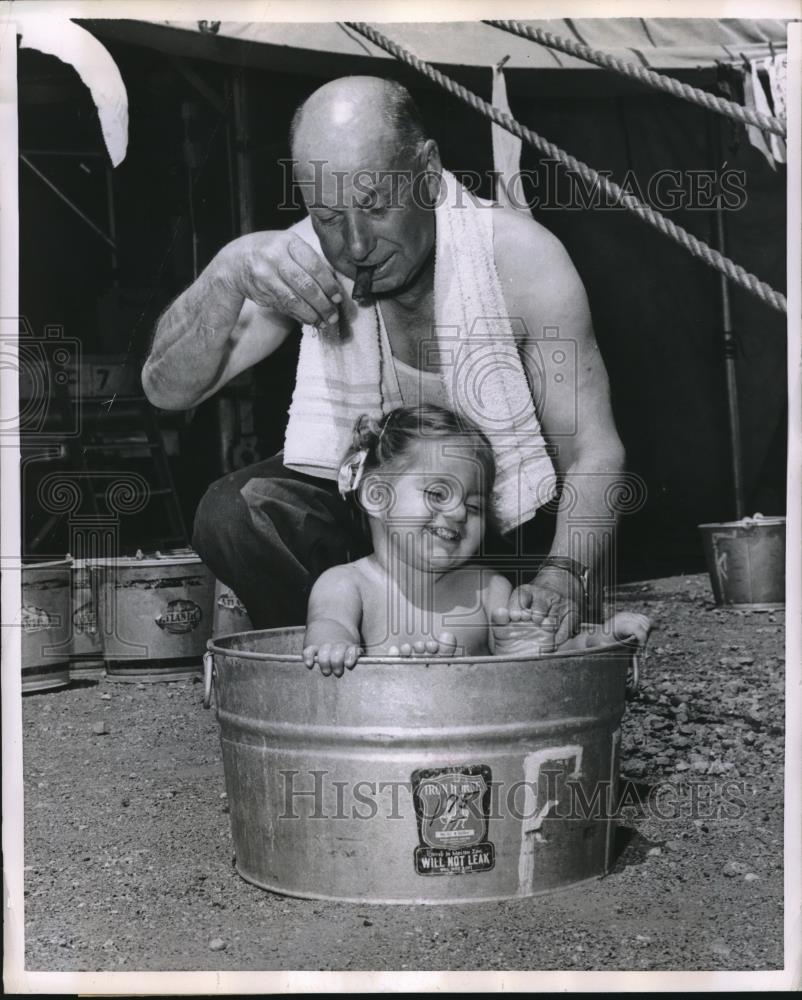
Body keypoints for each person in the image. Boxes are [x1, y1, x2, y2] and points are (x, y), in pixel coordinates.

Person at [142, 75, 626, 646]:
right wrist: (226, 273)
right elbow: (165, 389)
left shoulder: (520, 259)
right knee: (235, 512)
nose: (355, 245)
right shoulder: (303, 259)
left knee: (539, 587)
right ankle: (340, 662)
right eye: (327, 216)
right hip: (374, 535)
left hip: (494, 522)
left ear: (426, 170)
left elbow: (593, 449)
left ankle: (499, 650)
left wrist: (562, 578)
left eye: (375, 205)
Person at [303, 405, 649, 677]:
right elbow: (328, 628)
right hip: (384, 741)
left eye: (474, 506)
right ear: (377, 496)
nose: (457, 513)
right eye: (438, 493)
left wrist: (587, 645)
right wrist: (335, 645)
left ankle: (599, 651)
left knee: (536, 658)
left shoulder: (487, 590)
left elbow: (538, 678)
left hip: (479, 749)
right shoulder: (346, 584)